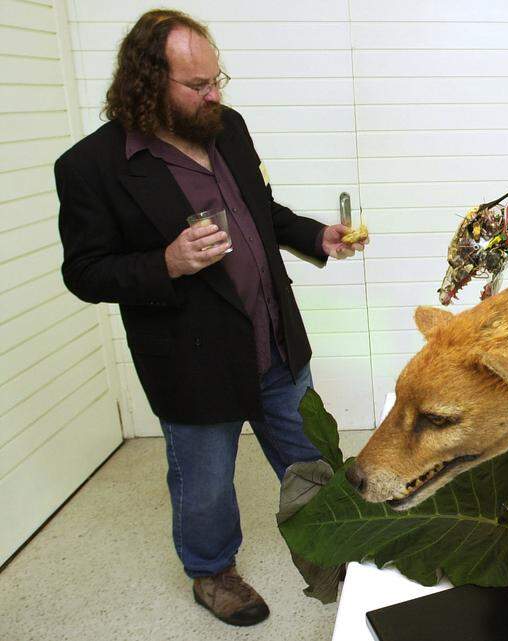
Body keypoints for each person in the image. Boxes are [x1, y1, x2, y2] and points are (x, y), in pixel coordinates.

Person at [54, 10, 366, 627]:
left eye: (216, 77)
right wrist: (165, 262)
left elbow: (262, 212)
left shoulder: (229, 129)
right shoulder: (91, 166)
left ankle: (342, 547)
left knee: (309, 454)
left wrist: (317, 236)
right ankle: (212, 571)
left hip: (273, 340)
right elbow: (85, 272)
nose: (213, 93)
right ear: (148, 82)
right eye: (196, 85)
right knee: (204, 485)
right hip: (191, 360)